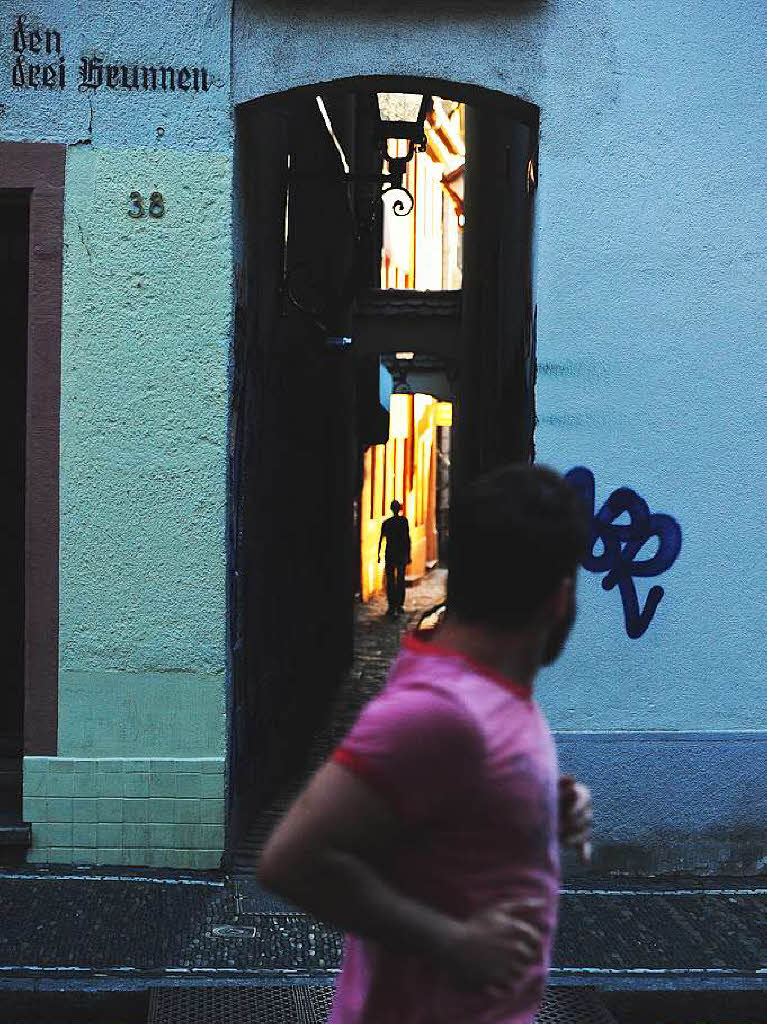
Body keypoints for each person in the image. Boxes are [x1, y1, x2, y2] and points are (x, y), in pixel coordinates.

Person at [258, 464, 594, 1024]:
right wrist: (454, 942)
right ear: (560, 599)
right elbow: (291, 861)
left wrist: (535, 806)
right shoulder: (440, 713)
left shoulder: (490, 689)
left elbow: (447, 807)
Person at [378, 499, 411, 616]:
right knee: (400, 580)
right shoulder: (404, 521)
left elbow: (381, 539)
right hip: (401, 554)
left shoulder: (387, 522)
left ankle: (392, 605)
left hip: (390, 554)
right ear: (399, 509)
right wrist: (409, 555)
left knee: (391, 580)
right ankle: (399, 605)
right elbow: (407, 539)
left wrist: (378, 554)